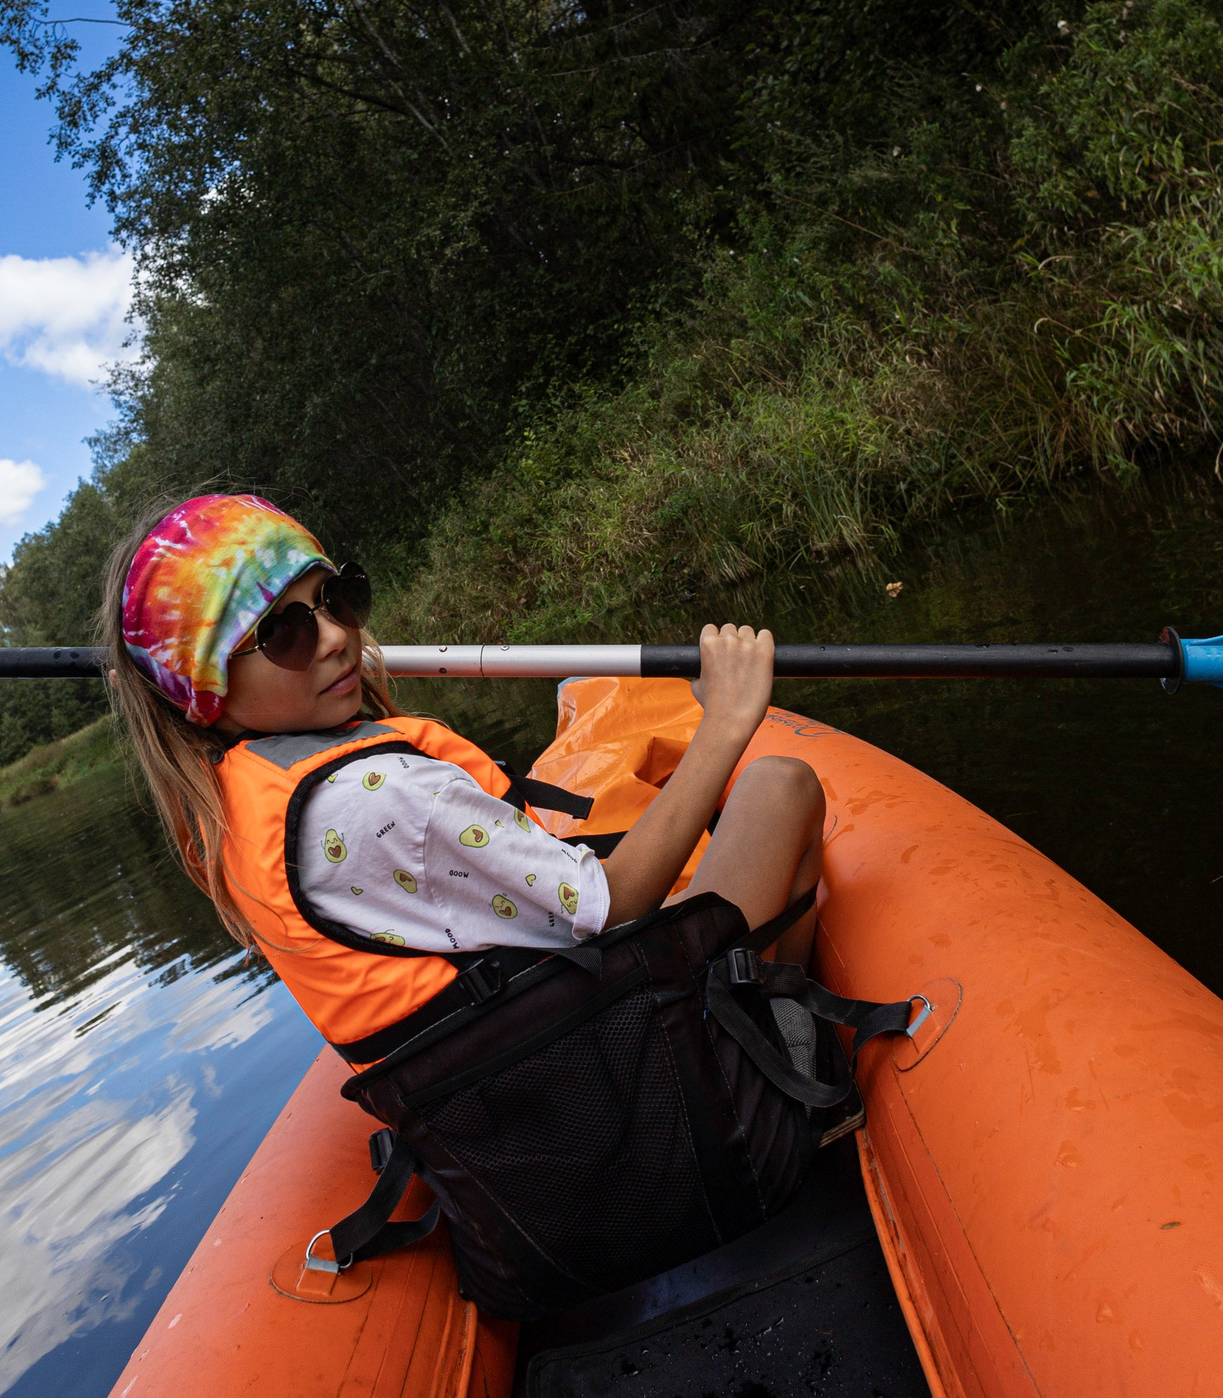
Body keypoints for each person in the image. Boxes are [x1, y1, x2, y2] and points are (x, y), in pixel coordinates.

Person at [99, 492, 911, 1318]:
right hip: (686, 1146)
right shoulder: (380, 800)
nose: (337, 635)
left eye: (334, 597)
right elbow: (616, 901)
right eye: (284, 631)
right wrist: (728, 721)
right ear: (205, 687)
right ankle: (783, 1070)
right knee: (779, 788)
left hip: (544, 1196)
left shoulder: (235, 808)